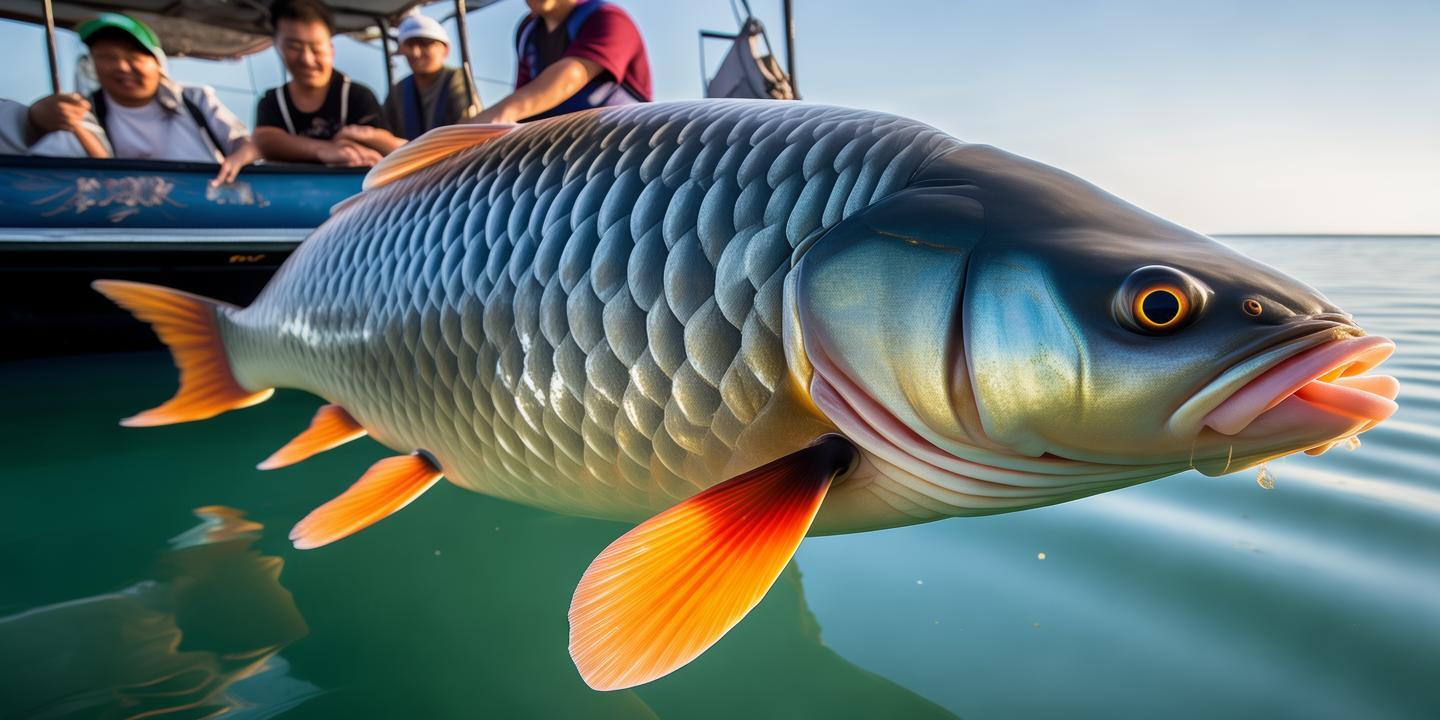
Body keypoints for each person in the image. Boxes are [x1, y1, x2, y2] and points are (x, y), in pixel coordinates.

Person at [24, 13, 259, 185]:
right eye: (106, 57)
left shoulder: (196, 98)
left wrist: (239, 160)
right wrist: (38, 119)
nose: (122, 67)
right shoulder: (83, 112)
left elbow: (244, 144)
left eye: (133, 56)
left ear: (157, 62)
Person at [254, 0, 403, 166]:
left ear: (331, 49)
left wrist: (360, 135)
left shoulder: (357, 96)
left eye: (316, 48)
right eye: (294, 47)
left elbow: (393, 146)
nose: (307, 59)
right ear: (277, 46)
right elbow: (264, 140)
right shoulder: (272, 101)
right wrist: (325, 149)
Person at [471, 0, 652, 124]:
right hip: (558, 153)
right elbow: (522, 105)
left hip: (621, 148)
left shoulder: (609, 18)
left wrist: (495, 116)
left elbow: (571, 75)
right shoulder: (527, 34)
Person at [381, 15, 479, 140]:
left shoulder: (456, 78)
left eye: (424, 44)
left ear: (445, 50)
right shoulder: (398, 90)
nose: (416, 53)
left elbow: (468, 128)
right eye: (410, 45)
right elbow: (384, 129)